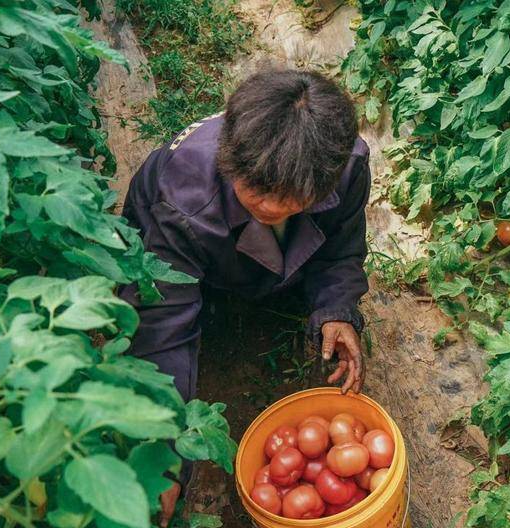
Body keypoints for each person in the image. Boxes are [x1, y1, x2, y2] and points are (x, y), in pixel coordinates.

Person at [119, 69, 370, 409]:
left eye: (291, 196)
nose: (269, 206)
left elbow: (341, 248)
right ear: (230, 161)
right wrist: (163, 429)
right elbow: (162, 327)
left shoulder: (343, 163)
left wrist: (335, 308)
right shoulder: (184, 201)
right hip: (172, 240)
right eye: (256, 187)